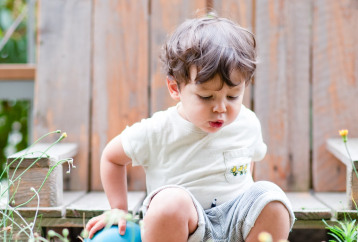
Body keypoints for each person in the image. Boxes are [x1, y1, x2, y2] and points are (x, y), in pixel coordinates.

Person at [85, 13, 295, 242]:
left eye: (233, 96)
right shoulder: (159, 130)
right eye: (206, 97)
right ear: (175, 88)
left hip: (235, 223)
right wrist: (119, 209)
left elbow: (248, 164)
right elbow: (111, 157)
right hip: (184, 229)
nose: (221, 108)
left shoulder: (247, 122)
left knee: (271, 198)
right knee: (169, 203)